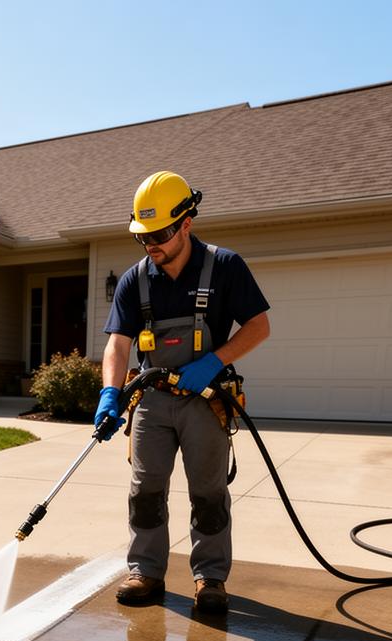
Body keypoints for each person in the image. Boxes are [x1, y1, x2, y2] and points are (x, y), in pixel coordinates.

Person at [98, 171, 270, 613]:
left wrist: (215, 361)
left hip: (206, 400)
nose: (151, 243)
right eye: (143, 236)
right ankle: (146, 571)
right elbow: (118, 343)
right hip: (151, 401)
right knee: (145, 490)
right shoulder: (135, 280)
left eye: (160, 233)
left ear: (186, 223)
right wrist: (109, 394)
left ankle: (210, 579)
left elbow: (258, 326)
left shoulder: (225, 266)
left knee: (208, 492)